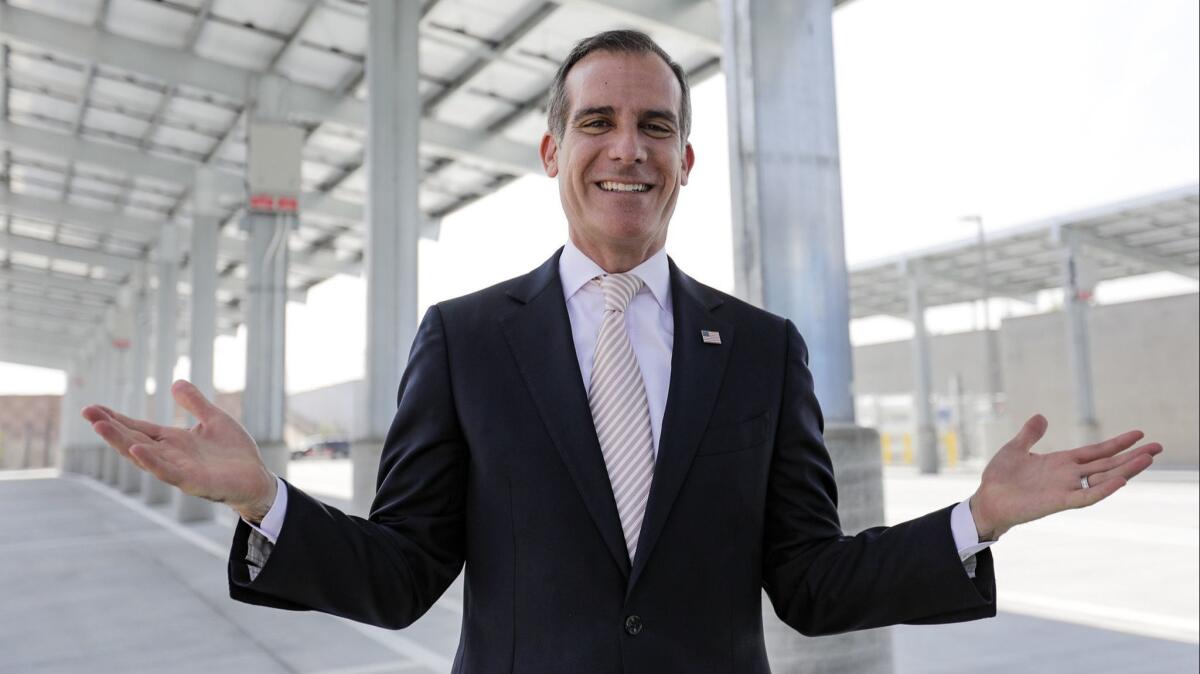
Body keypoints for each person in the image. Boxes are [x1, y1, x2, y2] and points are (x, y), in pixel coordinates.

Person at [82, 30, 1161, 673]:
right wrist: (266, 498)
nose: (626, 148)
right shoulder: (464, 340)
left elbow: (811, 582)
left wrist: (981, 518)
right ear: (555, 150)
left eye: (653, 126)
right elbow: (405, 571)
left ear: (686, 160)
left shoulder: (761, 350)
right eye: (598, 122)